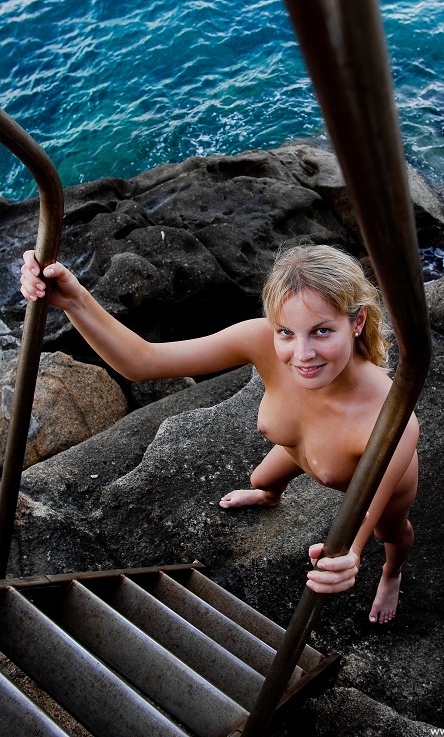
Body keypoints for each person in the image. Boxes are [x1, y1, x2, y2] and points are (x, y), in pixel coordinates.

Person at [20, 243, 419, 623]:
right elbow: (142, 361)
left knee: (390, 532)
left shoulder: (389, 422)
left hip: (370, 482)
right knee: (261, 480)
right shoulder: (260, 340)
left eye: (321, 331)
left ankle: (393, 574)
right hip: (301, 449)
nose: (301, 355)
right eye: (286, 331)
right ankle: (271, 494)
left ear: (357, 322)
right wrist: (73, 300)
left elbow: (357, 526)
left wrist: (347, 556)